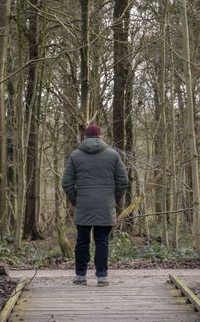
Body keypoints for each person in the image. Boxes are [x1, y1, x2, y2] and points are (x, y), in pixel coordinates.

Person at [62, 122, 128, 286]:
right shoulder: (113, 155)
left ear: (84, 137)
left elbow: (66, 183)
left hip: (84, 204)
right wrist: (113, 198)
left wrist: (76, 200)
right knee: (102, 241)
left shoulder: (75, 155)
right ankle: (102, 277)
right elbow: (123, 181)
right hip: (105, 205)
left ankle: (80, 276)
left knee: (83, 241)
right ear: (101, 136)